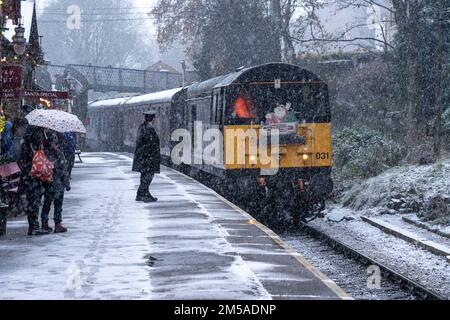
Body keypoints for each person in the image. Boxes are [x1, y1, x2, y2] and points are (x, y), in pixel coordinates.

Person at [40, 132, 71, 233]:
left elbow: (64, 169)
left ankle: (52, 223)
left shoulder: (54, 153)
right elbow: (63, 169)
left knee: (53, 203)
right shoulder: (51, 153)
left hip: (53, 182)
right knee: (51, 203)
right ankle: (50, 223)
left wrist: (66, 183)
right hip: (52, 182)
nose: (54, 144)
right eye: (53, 142)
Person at [19, 125, 46, 236]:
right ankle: (34, 226)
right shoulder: (35, 137)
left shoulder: (28, 136)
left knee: (33, 200)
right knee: (34, 200)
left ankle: (33, 226)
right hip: (32, 174)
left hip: (28, 173)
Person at [132, 110, 160, 203]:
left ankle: (140, 194)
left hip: (143, 157)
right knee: (148, 177)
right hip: (148, 157)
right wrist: (152, 154)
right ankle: (145, 195)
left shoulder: (142, 127)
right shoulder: (149, 128)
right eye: (153, 117)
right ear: (152, 118)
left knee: (144, 176)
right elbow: (150, 143)